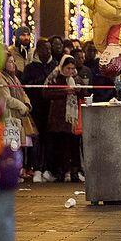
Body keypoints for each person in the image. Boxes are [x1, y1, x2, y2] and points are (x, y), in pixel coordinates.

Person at [43, 54, 84, 182]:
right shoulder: (55, 78)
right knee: (60, 147)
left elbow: (85, 93)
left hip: (73, 120)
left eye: (73, 68)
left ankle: (74, 172)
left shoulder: (77, 79)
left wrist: (77, 90)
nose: (70, 71)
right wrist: (64, 91)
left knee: (74, 147)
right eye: (68, 68)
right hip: (58, 119)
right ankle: (61, 172)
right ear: (62, 67)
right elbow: (45, 93)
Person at [23, 39, 57, 182]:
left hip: (51, 108)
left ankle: (48, 168)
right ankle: (37, 168)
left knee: (49, 140)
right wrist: (39, 81)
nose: (48, 51)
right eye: (45, 48)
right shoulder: (30, 67)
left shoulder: (55, 65)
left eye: (49, 48)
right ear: (38, 50)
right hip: (36, 107)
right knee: (36, 140)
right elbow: (26, 85)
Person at [0, 53, 34, 179]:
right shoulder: (0, 78)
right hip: (9, 116)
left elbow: (22, 92)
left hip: (18, 117)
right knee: (9, 147)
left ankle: (17, 172)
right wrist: (22, 106)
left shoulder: (14, 78)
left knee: (17, 147)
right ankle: (9, 174)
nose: (13, 64)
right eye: (10, 62)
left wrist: (27, 103)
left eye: (13, 61)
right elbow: (7, 99)